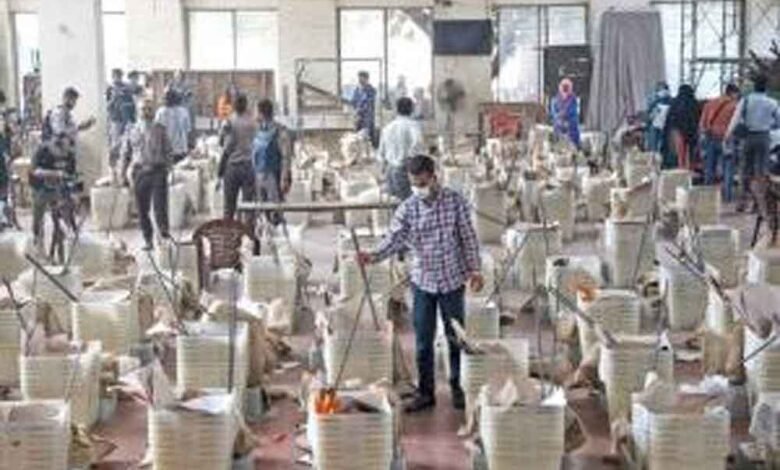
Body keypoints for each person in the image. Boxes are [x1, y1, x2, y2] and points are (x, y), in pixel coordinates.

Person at [357, 154, 484, 413]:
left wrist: (475, 270)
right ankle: (426, 392)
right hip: (423, 281)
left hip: (452, 280)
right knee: (424, 340)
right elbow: (394, 239)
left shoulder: (455, 202)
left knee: (456, 337)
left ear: (434, 177)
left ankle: (458, 389)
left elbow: (468, 238)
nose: (418, 188)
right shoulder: (408, 209)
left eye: (423, 183)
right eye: (414, 184)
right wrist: (373, 255)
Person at [121, 99, 172, 251]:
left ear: (154, 112)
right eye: (143, 109)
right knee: (142, 209)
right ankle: (148, 240)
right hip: (140, 172)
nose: (146, 112)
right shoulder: (131, 130)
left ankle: (164, 238)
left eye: (149, 109)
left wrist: (168, 169)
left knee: (160, 207)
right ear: (138, 111)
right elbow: (125, 153)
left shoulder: (160, 130)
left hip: (158, 171)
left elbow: (168, 151)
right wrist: (122, 173)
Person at [726, 74, 780, 212]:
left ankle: (742, 202)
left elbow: (735, 118)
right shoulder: (772, 103)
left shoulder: (746, 100)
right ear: (765, 87)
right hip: (764, 138)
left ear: (754, 87)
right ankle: (759, 204)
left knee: (745, 170)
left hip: (748, 138)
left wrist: (728, 134)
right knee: (761, 172)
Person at [30, 132, 78, 252]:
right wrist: (55, 173)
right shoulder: (43, 151)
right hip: (40, 187)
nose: (64, 154)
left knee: (62, 214)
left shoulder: (70, 155)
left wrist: (75, 192)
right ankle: (37, 241)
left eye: (67, 149)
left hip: (58, 188)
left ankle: (63, 238)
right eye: (61, 151)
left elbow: (73, 176)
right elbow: (36, 171)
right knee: (38, 217)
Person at [252, 99, 292, 225]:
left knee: (275, 211)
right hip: (259, 175)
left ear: (261, 113)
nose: (254, 114)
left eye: (256, 111)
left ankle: (278, 230)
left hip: (274, 176)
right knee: (261, 214)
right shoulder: (257, 131)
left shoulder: (280, 131)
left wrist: (284, 178)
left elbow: (286, 156)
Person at [218, 93, 257, 220]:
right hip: (249, 166)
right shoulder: (252, 121)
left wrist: (220, 171)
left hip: (232, 167)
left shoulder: (229, 122)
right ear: (246, 105)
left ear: (234, 105)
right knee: (249, 206)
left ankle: (228, 231)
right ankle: (249, 230)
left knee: (229, 207)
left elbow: (224, 145)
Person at [378, 97, 424, 200]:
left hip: (390, 171)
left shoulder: (387, 128)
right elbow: (417, 145)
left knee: (394, 203)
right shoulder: (413, 126)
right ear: (411, 109)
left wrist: (383, 171)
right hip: (405, 170)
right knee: (408, 202)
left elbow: (381, 154)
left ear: (397, 109)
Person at [699, 83, 740, 190]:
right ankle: (727, 195)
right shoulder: (735, 106)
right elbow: (737, 124)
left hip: (710, 137)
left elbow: (702, 123)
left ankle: (708, 193)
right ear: (733, 93)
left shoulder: (709, 104)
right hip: (727, 139)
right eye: (737, 94)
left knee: (709, 167)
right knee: (728, 168)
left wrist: (705, 134)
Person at [106, 68, 137, 175]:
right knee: (115, 144)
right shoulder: (110, 89)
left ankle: (124, 168)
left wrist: (132, 119)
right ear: (112, 77)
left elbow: (131, 104)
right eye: (116, 76)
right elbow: (107, 107)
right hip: (115, 119)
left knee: (127, 144)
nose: (118, 78)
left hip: (127, 120)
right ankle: (113, 167)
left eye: (119, 76)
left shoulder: (126, 88)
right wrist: (114, 97)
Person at [664, 84, 699, 169]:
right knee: (690, 151)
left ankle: (681, 167)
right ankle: (690, 167)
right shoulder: (693, 102)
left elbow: (669, 117)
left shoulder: (675, 102)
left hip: (678, 130)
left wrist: (668, 129)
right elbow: (697, 116)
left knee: (680, 151)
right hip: (691, 131)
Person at [155, 89, 191, 163]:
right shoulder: (183, 111)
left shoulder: (161, 111)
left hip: (166, 150)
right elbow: (188, 129)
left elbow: (156, 131)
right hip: (181, 149)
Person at [549, 78, 581, 148]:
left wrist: (566, 118)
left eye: (567, 87)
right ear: (560, 87)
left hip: (571, 130)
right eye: (563, 86)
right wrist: (558, 118)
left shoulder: (573, 100)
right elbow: (553, 113)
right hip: (558, 129)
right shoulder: (555, 100)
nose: (565, 89)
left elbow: (573, 113)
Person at [351, 71, 377, 146]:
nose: (360, 80)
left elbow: (369, 103)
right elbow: (353, 101)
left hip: (367, 118)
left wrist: (360, 109)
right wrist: (356, 111)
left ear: (366, 79)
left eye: (361, 78)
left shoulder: (371, 90)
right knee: (357, 137)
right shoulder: (357, 90)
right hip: (358, 118)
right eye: (359, 78)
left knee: (367, 137)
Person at [645, 82, 672, 154]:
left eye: (664, 89)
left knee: (664, 145)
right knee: (654, 145)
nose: (663, 91)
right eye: (660, 89)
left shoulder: (671, 102)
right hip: (655, 126)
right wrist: (651, 116)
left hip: (667, 127)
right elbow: (649, 115)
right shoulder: (655, 102)